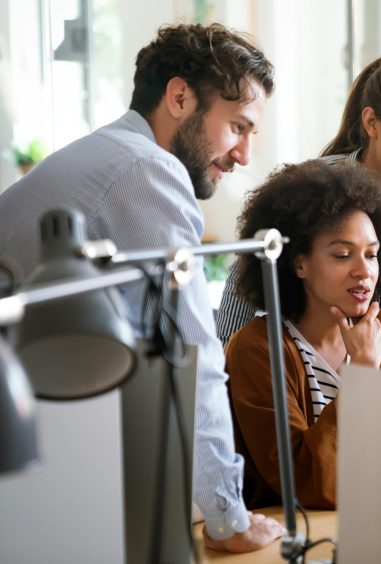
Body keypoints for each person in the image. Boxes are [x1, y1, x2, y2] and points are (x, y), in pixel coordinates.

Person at [0, 23, 284, 552]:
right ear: (179, 97)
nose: (245, 154)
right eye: (238, 127)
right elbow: (192, 352)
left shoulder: (106, 151)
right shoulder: (146, 169)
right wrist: (228, 515)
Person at [217, 52, 381, 341]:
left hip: (373, 360)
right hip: (292, 355)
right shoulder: (310, 185)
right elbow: (243, 288)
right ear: (371, 122)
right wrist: (225, 375)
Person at [225, 159, 381, 509]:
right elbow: (306, 482)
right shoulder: (256, 349)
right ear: (299, 264)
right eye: (342, 255)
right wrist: (363, 373)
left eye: (372, 255)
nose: (363, 272)